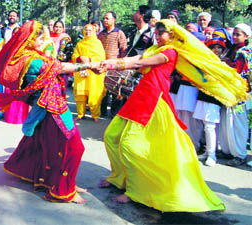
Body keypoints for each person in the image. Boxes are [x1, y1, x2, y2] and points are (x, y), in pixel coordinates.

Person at [98, 19, 248, 211]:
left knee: (129, 145)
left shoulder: (169, 52)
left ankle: (134, 191)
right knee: (111, 137)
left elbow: (139, 62)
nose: (158, 36)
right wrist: (105, 63)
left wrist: (108, 64)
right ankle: (118, 178)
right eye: (157, 33)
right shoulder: (154, 49)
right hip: (139, 96)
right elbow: (135, 59)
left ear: (172, 35)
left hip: (153, 100)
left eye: (162, 33)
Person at [0, 20, 100, 203]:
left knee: (51, 147)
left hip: (49, 107)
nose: (43, 41)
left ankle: (66, 182)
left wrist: (82, 63)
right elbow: (60, 67)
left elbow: (58, 65)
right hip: (53, 108)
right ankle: (63, 190)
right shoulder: (30, 61)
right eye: (40, 38)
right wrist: (88, 65)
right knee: (74, 147)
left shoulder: (31, 55)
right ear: (31, 39)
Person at [219, 23, 252, 167]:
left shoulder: (245, 51)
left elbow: (236, 69)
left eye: (238, 34)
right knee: (226, 119)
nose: (235, 37)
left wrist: (224, 64)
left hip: (240, 92)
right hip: (229, 89)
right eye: (234, 34)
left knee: (238, 122)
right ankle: (227, 150)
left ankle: (240, 154)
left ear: (246, 36)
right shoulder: (232, 49)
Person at [195, 38, 225, 166]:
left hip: (213, 97)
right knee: (204, 124)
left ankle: (212, 154)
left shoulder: (223, 63)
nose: (216, 50)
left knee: (210, 125)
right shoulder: (204, 61)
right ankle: (207, 152)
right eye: (213, 47)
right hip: (203, 95)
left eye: (219, 48)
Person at [72, 24, 106, 122]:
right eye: (86, 30)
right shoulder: (80, 44)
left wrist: (89, 59)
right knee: (80, 93)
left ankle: (95, 115)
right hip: (81, 71)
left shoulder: (98, 43)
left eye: (90, 30)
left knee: (94, 94)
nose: (88, 32)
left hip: (94, 73)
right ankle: (80, 114)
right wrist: (79, 58)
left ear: (94, 31)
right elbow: (74, 56)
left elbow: (101, 58)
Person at [98, 11, 127, 117]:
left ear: (114, 19)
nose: (105, 20)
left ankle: (115, 113)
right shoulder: (101, 34)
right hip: (102, 66)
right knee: (103, 89)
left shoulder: (119, 33)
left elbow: (123, 49)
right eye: (104, 18)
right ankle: (102, 111)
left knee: (115, 90)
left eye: (107, 18)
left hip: (115, 67)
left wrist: (120, 64)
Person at [3, 29, 29, 125]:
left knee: (21, 95)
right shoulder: (9, 46)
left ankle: (21, 117)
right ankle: (10, 117)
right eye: (15, 33)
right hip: (11, 73)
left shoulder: (27, 47)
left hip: (22, 73)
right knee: (12, 95)